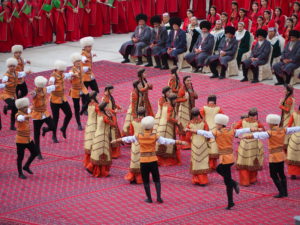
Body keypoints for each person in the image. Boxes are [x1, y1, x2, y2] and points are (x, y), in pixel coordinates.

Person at [186, 114, 259, 210]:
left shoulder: (216, 132)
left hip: (225, 159)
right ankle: (233, 187)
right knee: (220, 171)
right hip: (231, 158)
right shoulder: (231, 131)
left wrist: (191, 130)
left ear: (220, 124)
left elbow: (203, 133)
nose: (216, 124)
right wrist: (251, 129)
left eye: (217, 123)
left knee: (226, 181)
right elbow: (243, 130)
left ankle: (231, 199)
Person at [113, 116, 187, 203]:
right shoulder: (154, 136)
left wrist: (117, 140)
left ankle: (149, 198)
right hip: (153, 160)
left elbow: (128, 139)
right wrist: (179, 142)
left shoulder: (139, 136)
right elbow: (166, 141)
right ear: (152, 127)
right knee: (157, 179)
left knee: (146, 181)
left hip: (144, 161)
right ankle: (159, 197)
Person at [242, 114, 300, 198]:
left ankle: (281, 192)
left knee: (273, 175)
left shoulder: (270, 132)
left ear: (271, 123)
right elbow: (295, 129)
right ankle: (285, 192)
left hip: (274, 157)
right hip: (281, 155)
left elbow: (259, 135)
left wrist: (247, 136)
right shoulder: (283, 130)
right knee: (282, 174)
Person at [234, 108, 265, 186]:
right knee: (253, 161)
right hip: (254, 144)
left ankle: (245, 181)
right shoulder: (258, 123)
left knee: (243, 162)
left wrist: (239, 135)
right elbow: (263, 132)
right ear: (255, 116)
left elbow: (234, 129)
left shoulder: (242, 121)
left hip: (244, 143)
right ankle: (252, 179)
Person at [86, 101, 115, 177]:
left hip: (97, 135)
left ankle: (91, 167)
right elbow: (113, 124)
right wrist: (113, 115)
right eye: (106, 106)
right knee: (102, 153)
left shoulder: (99, 114)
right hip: (103, 137)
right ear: (103, 108)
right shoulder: (104, 117)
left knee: (96, 153)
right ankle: (100, 172)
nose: (107, 107)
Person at [47, 60, 73, 143]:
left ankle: (63, 128)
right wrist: (54, 85)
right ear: (56, 69)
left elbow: (69, 74)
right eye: (61, 71)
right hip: (54, 100)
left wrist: (74, 74)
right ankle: (54, 136)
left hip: (62, 98)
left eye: (63, 71)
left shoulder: (62, 74)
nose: (62, 72)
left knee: (69, 114)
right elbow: (50, 83)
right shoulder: (53, 76)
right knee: (56, 119)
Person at [31, 76, 56, 160]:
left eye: (42, 86)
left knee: (53, 126)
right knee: (36, 135)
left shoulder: (45, 89)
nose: (40, 88)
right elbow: (33, 94)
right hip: (37, 115)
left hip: (45, 113)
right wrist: (33, 93)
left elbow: (52, 87)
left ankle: (45, 129)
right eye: (39, 86)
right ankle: (38, 153)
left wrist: (54, 82)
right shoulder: (34, 92)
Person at [14, 97, 38, 179]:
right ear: (21, 108)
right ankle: (20, 173)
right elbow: (21, 118)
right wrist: (30, 115)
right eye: (25, 107)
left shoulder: (25, 110)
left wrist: (34, 103)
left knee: (35, 152)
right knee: (20, 157)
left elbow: (30, 109)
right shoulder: (18, 115)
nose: (26, 108)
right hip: (20, 140)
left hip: (28, 139)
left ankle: (26, 166)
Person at [186, 108, 210, 186]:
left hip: (195, 144)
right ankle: (203, 180)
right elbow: (207, 134)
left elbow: (187, 137)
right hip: (202, 142)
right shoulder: (203, 122)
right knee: (203, 160)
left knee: (196, 161)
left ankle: (196, 179)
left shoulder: (189, 124)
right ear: (199, 114)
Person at [1, 58, 27, 130]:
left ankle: (12, 125)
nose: (12, 67)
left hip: (13, 94)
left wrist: (27, 72)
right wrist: (5, 83)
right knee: (12, 105)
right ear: (8, 67)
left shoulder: (16, 73)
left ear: (15, 66)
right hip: (6, 94)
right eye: (10, 66)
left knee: (15, 109)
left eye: (13, 66)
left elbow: (22, 73)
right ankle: (6, 107)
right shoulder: (6, 75)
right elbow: (3, 81)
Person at [156, 93, 181, 166]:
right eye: (175, 100)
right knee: (167, 144)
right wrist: (177, 121)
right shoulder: (170, 107)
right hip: (167, 127)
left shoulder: (165, 104)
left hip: (161, 125)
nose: (176, 101)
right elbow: (168, 118)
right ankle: (165, 161)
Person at [200, 95, 224, 170]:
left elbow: (200, 117)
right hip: (215, 129)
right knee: (214, 147)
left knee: (207, 146)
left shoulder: (204, 108)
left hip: (207, 128)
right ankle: (213, 165)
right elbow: (222, 118)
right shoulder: (218, 108)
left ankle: (208, 164)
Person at [125, 107, 146, 184]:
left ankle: (133, 177)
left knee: (134, 160)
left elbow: (131, 133)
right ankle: (141, 177)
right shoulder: (146, 122)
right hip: (143, 142)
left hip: (135, 142)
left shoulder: (133, 122)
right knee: (142, 160)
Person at [177, 76, 198, 149]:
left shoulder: (190, 88)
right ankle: (184, 144)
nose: (189, 82)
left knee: (190, 125)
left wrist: (194, 92)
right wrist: (184, 99)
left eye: (190, 80)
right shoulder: (182, 89)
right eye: (187, 81)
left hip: (191, 109)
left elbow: (196, 96)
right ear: (184, 81)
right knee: (185, 125)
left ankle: (190, 141)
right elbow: (177, 99)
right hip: (184, 110)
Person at [69, 52, 89, 130]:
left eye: (79, 61)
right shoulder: (72, 70)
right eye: (77, 62)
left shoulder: (81, 67)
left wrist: (89, 68)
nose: (78, 63)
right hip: (75, 90)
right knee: (76, 107)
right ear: (74, 63)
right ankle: (79, 124)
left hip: (82, 87)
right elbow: (70, 76)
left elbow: (85, 69)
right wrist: (72, 76)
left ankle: (83, 109)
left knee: (89, 98)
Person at [101, 85, 122, 159]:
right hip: (109, 116)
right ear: (107, 90)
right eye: (111, 90)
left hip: (113, 115)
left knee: (115, 132)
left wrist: (117, 106)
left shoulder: (109, 96)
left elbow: (112, 104)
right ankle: (113, 153)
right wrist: (114, 111)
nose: (112, 91)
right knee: (112, 133)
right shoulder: (105, 98)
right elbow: (106, 108)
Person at [81, 91, 98, 168]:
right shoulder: (96, 106)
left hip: (89, 125)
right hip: (94, 125)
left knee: (89, 142)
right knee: (94, 143)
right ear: (93, 98)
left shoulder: (89, 105)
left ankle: (87, 160)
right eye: (96, 96)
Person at [287, 105, 300, 180]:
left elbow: (289, 125)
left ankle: (293, 174)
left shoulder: (294, 114)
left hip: (295, 137)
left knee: (293, 156)